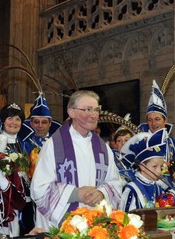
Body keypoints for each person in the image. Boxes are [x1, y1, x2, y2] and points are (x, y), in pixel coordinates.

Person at [30, 90, 123, 230]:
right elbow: (39, 188)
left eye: (96, 110)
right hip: (60, 225)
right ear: (71, 112)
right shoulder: (54, 146)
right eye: (87, 109)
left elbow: (115, 182)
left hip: (95, 224)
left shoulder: (103, 148)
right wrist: (75, 194)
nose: (93, 115)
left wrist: (102, 193)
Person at [0, 103, 35, 233]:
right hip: (6, 198)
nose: (14, 122)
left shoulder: (26, 145)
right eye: (10, 118)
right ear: (3, 120)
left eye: (18, 119)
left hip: (26, 198)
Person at [118, 129, 167, 212]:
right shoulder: (131, 190)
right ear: (142, 167)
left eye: (161, 166)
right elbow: (125, 219)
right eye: (155, 166)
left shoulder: (158, 188)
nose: (159, 171)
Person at [137, 80, 175, 162]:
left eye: (157, 119)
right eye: (150, 120)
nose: (153, 123)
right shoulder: (139, 143)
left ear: (165, 120)